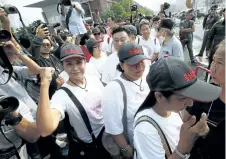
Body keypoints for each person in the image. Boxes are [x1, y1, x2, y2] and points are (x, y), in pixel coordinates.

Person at [134, 56, 221, 159]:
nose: (190, 103)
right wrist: (183, 148)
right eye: (182, 98)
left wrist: (195, 135)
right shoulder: (145, 130)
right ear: (160, 97)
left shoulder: (171, 110)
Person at [36, 43, 111, 159]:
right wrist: (44, 84)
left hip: (109, 135)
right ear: (63, 66)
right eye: (69, 64)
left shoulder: (93, 79)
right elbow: (45, 129)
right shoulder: (61, 95)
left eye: (78, 62)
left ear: (85, 62)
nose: (75, 68)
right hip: (92, 146)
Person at [101, 42, 150, 158]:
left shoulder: (147, 77)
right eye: (133, 64)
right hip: (133, 145)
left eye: (141, 62)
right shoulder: (113, 89)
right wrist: (125, 148)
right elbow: (113, 125)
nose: (139, 67)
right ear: (122, 65)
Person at [184, 40, 225, 159]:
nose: (213, 68)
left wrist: (209, 135)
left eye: (220, 62)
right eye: (213, 60)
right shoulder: (203, 94)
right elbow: (185, 122)